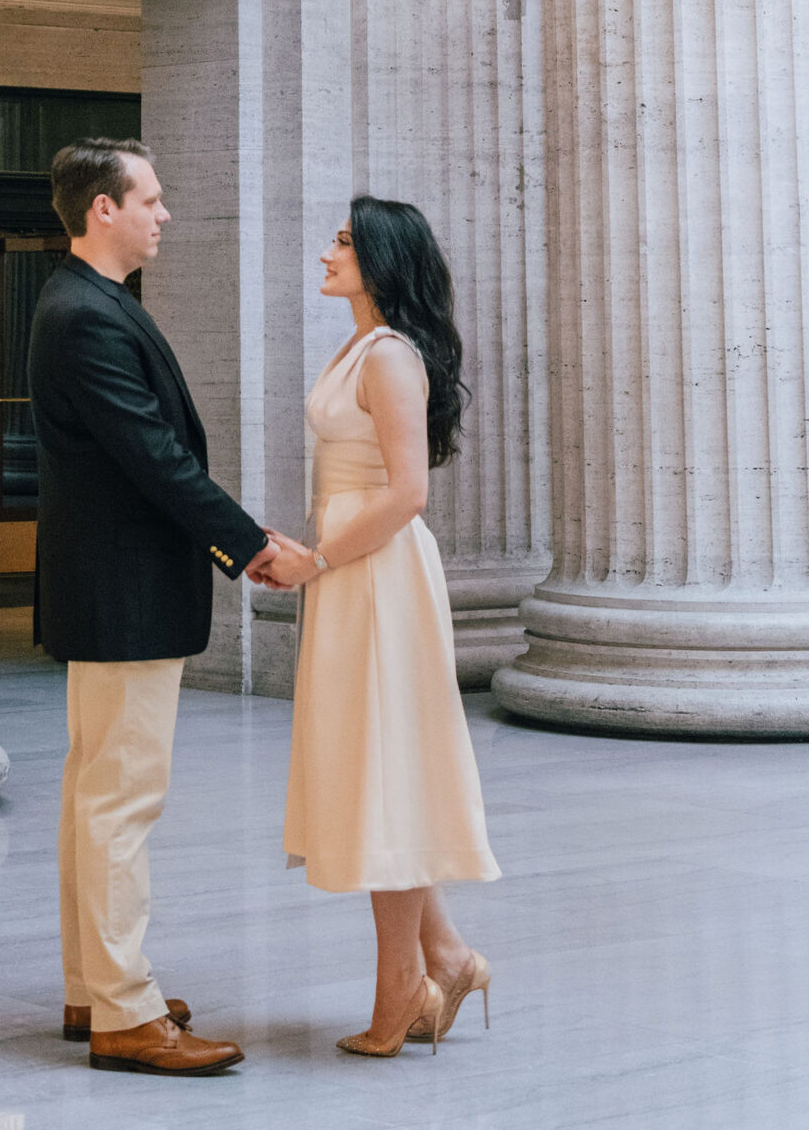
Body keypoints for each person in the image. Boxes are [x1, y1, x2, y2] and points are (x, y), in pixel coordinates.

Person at [29, 138, 282, 1078]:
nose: (164, 213)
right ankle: (125, 1014)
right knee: (120, 800)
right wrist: (249, 543)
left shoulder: (86, 303)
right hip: (124, 592)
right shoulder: (86, 315)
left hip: (111, 591)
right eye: (151, 198)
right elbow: (153, 458)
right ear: (105, 209)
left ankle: (95, 986)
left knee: (95, 794)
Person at [252, 196, 500, 1056]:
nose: (326, 251)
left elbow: (406, 494)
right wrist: (308, 546)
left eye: (344, 241)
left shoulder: (390, 356)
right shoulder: (359, 345)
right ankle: (445, 956)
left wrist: (317, 558)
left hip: (376, 576)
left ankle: (404, 985)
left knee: (385, 770)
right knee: (374, 767)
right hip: (352, 569)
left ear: (381, 260)